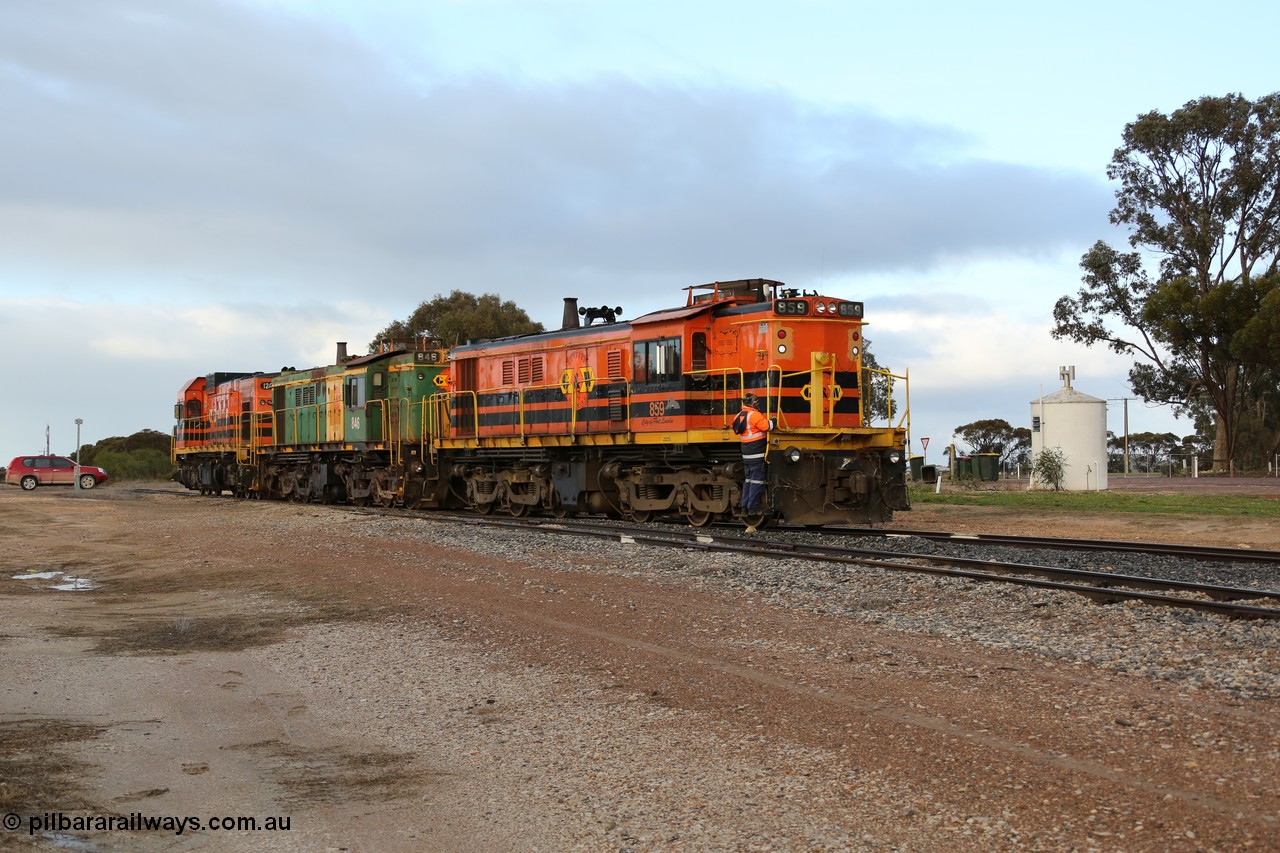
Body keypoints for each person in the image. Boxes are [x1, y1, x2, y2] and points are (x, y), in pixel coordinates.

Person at [734, 392, 772, 532]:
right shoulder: (755, 415)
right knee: (757, 481)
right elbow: (766, 426)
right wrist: (774, 421)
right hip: (757, 453)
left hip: (746, 454)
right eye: (756, 401)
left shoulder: (739, 415)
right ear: (752, 402)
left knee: (748, 481)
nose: (757, 403)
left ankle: (744, 506)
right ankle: (753, 508)